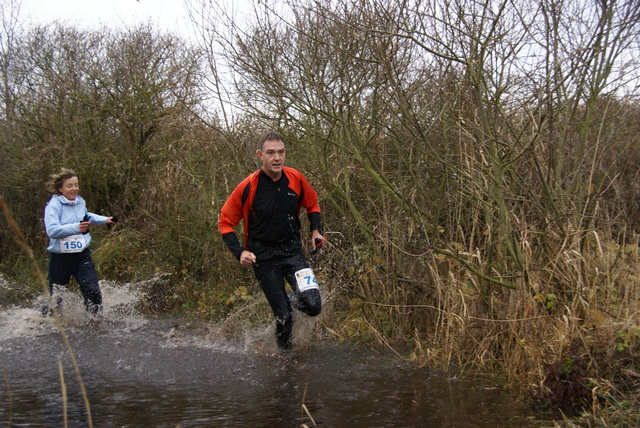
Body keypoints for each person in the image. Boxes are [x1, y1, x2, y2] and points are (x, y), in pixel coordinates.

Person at [218, 131, 327, 350]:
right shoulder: (248, 187)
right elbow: (225, 222)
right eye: (271, 153)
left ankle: (286, 299)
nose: (277, 158)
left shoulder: (296, 178)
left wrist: (316, 231)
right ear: (260, 155)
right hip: (264, 258)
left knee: (313, 305)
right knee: (285, 317)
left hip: (293, 254)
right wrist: (240, 252)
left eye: (281, 152)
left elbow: (312, 204)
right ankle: (285, 361)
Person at [43, 168, 117, 316]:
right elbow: (52, 231)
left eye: (76, 185)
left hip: (81, 255)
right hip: (60, 258)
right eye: (70, 186)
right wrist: (77, 227)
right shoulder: (53, 206)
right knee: (56, 297)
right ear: (60, 189)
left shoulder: (80, 201)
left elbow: (86, 215)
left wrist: (105, 220)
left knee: (93, 291)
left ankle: (95, 323)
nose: (74, 188)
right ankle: (45, 324)